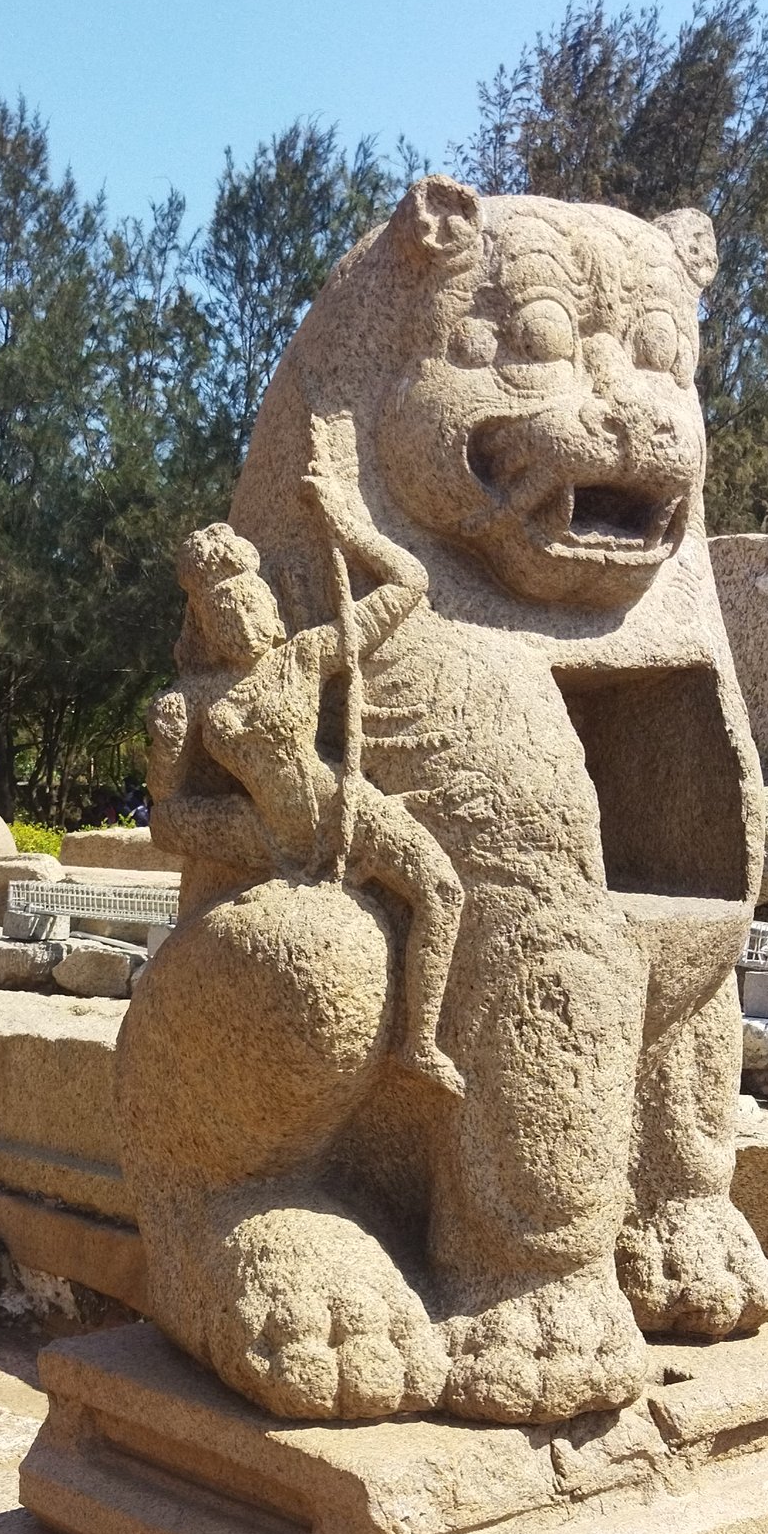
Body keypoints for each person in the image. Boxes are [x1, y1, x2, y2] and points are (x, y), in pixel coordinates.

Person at [155, 469, 465, 1097]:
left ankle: (419, 1041)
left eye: (247, 600)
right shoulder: (195, 699)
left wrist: (348, 524)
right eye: (220, 612)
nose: (238, 618)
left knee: (441, 890)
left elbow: (411, 583)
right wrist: (163, 752)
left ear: (269, 602)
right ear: (204, 628)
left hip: (343, 806)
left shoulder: (306, 655)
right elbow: (165, 818)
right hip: (263, 836)